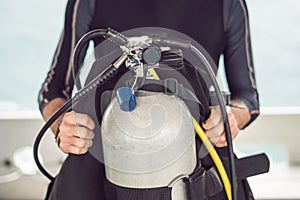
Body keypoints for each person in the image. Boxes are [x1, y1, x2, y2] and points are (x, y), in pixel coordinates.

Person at [38, 0, 259, 199]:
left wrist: (229, 118)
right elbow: (52, 90)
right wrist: (62, 127)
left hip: (197, 158)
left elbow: (247, 99)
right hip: (101, 151)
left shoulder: (228, 4)